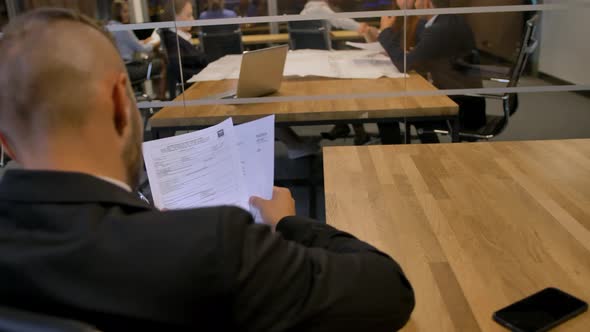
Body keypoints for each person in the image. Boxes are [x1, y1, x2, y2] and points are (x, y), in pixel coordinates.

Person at [0, 8, 415, 332]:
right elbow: (387, 291)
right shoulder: (213, 247)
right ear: (119, 103)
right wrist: (290, 223)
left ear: (4, 141)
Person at [376, 0, 485, 143]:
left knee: (387, 110)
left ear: (426, 3)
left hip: (461, 108)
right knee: (399, 104)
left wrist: (385, 32)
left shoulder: (438, 29)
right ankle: (427, 147)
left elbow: (404, 64)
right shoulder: (450, 20)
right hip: (467, 101)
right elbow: (435, 61)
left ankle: (396, 154)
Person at [300, 0, 370, 145]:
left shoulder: (308, 9)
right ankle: (354, 130)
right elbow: (339, 21)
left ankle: (346, 127)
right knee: (341, 94)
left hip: (315, 57)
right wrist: (360, 27)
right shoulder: (318, 8)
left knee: (339, 95)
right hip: (321, 59)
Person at [109, 0, 162, 88]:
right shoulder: (123, 29)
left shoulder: (110, 26)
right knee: (160, 63)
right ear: (118, 13)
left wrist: (145, 41)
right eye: (125, 11)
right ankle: (162, 96)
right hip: (129, 69)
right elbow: (142, 49)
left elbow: (128, 43)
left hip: (118, 69)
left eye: (128, 11)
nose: (128, 14)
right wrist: (155, 43)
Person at [161, 0, 209, 84]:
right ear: (175, 17)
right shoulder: (174, 42)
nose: (193, 19)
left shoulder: (179, 38)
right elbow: (180, 73)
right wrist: (207, 73)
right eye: (189, 15)